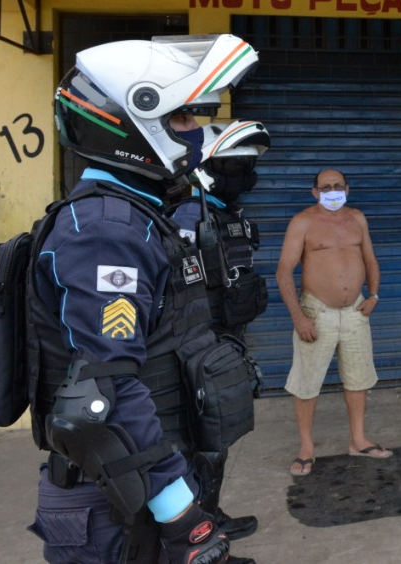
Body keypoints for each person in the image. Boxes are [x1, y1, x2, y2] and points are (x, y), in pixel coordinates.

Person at [26, 35, 259, 564]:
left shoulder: (133, 218)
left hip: (142, 480)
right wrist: (183, 517)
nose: (197, 132)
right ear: (135, 123)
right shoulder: (106, 233)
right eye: (183, 119)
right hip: (122, 502)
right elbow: (102, 393)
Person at [169, 120, 270, 541]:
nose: (244, 174)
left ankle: (206, 517)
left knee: (217, 433)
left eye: (248, 164)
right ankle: (195, 526)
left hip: (226, 340)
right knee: (203, 437)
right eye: (234, 164)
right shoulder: (189, 215)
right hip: (197, 344)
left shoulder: (228, 214)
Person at [275, 168, 393, 478]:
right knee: (306, 383)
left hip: (356, 311)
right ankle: (306, 449)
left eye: (337, 186)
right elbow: (283, 271)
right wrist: (299, 317)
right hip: (316, 312)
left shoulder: (357, 219)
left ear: (347, 189)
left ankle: (358, 439)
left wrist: (375, 295)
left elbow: (371, 260)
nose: (332, 190)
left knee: (358, 379)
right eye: (325, 187)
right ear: (314, 192)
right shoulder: (303, 222)